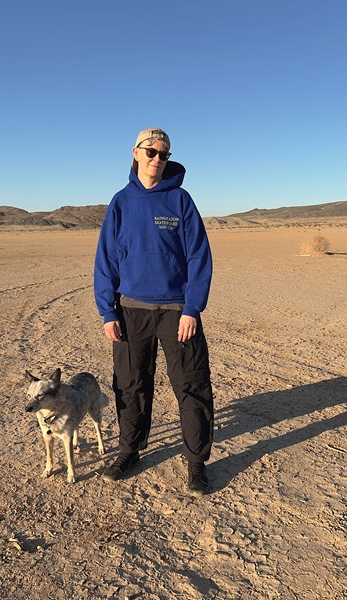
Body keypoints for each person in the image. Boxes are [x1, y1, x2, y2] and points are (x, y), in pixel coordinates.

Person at [93, 127, 214, 495]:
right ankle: (130, 451)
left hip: (177, 312)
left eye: (164, 154)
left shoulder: (180, 200)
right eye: (151, 152)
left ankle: (196, 462)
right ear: (136, 152)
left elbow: (198, 256)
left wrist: (192, 308)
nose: (157, 159)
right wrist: (108, 311)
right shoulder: (121, 202)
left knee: (191, 385)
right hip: (131, 310)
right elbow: (106, 259)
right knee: (130, 384)